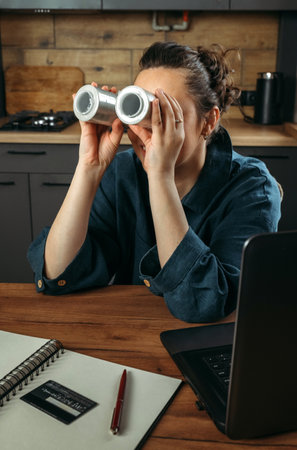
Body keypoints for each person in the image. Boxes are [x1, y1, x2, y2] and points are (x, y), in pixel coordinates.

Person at [28, 41, 281, 323]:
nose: (150, 127)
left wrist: (160, 176)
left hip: (208, 346)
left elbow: (204, 304)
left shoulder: (253, 188)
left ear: (208, 122)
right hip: (132, 331)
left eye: (168, 114)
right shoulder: (124, 172)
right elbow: (58, 274)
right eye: (141, 108)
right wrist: (90, 167)